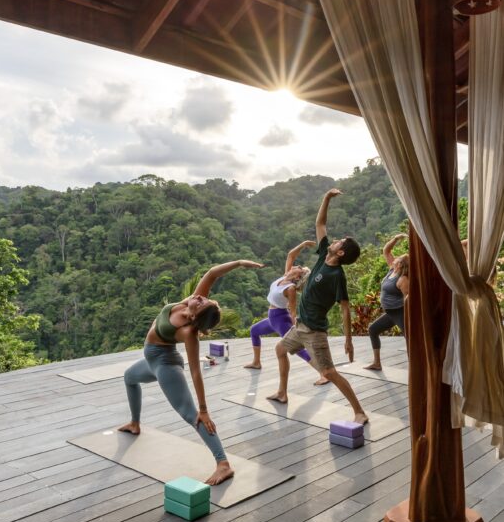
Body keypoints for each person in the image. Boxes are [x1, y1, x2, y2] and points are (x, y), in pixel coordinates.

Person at [119, 259, 263, 486]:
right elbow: (212, 273)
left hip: (166, 366)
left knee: (191, 415)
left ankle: (223, 464)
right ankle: (135, 423)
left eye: (201, 301)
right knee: (129, 378)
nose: (199, 297)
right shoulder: (191, 302)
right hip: (151, 360)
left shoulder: (188, 332)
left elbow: (196, 371)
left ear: (196, 316)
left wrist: (204, 409)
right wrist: (239, 263)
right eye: (203, 297)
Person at [267, 188, 369, 425]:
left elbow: (345, 307)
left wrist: (348, 339)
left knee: (329, 372)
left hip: (314, 332)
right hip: (300, 326)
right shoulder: (324, 253)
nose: (334, 240)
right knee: (281, 350)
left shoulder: (337, 276)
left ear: (340, 252)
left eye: (339, 242)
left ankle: (359, 411)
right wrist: (326, 198)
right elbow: (320, 223)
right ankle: (282, 393)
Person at [244, 240, 329, 386]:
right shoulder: (285, 276)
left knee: (297, 348)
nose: (297, 265)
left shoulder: (290, 289)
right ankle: (256, 362)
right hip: (272, 319)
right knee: (254, 331)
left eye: (300, 269)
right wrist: (302, 245)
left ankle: (323, 374)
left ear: (297, 278)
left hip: (280, 320)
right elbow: (290, 256)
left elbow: (292, 310)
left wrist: (294, 327)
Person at [364, 233, 409, 370]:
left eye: (398, 259)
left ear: (401, 264)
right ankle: (377, 363)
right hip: (390, 313)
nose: (394, 259)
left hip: (400, 312)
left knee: (410, 339)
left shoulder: (403, 279)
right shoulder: (392, 270)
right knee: (373, 330)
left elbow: (408, 299)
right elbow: (386, 251)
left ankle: (416, 368)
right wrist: (396, 238)